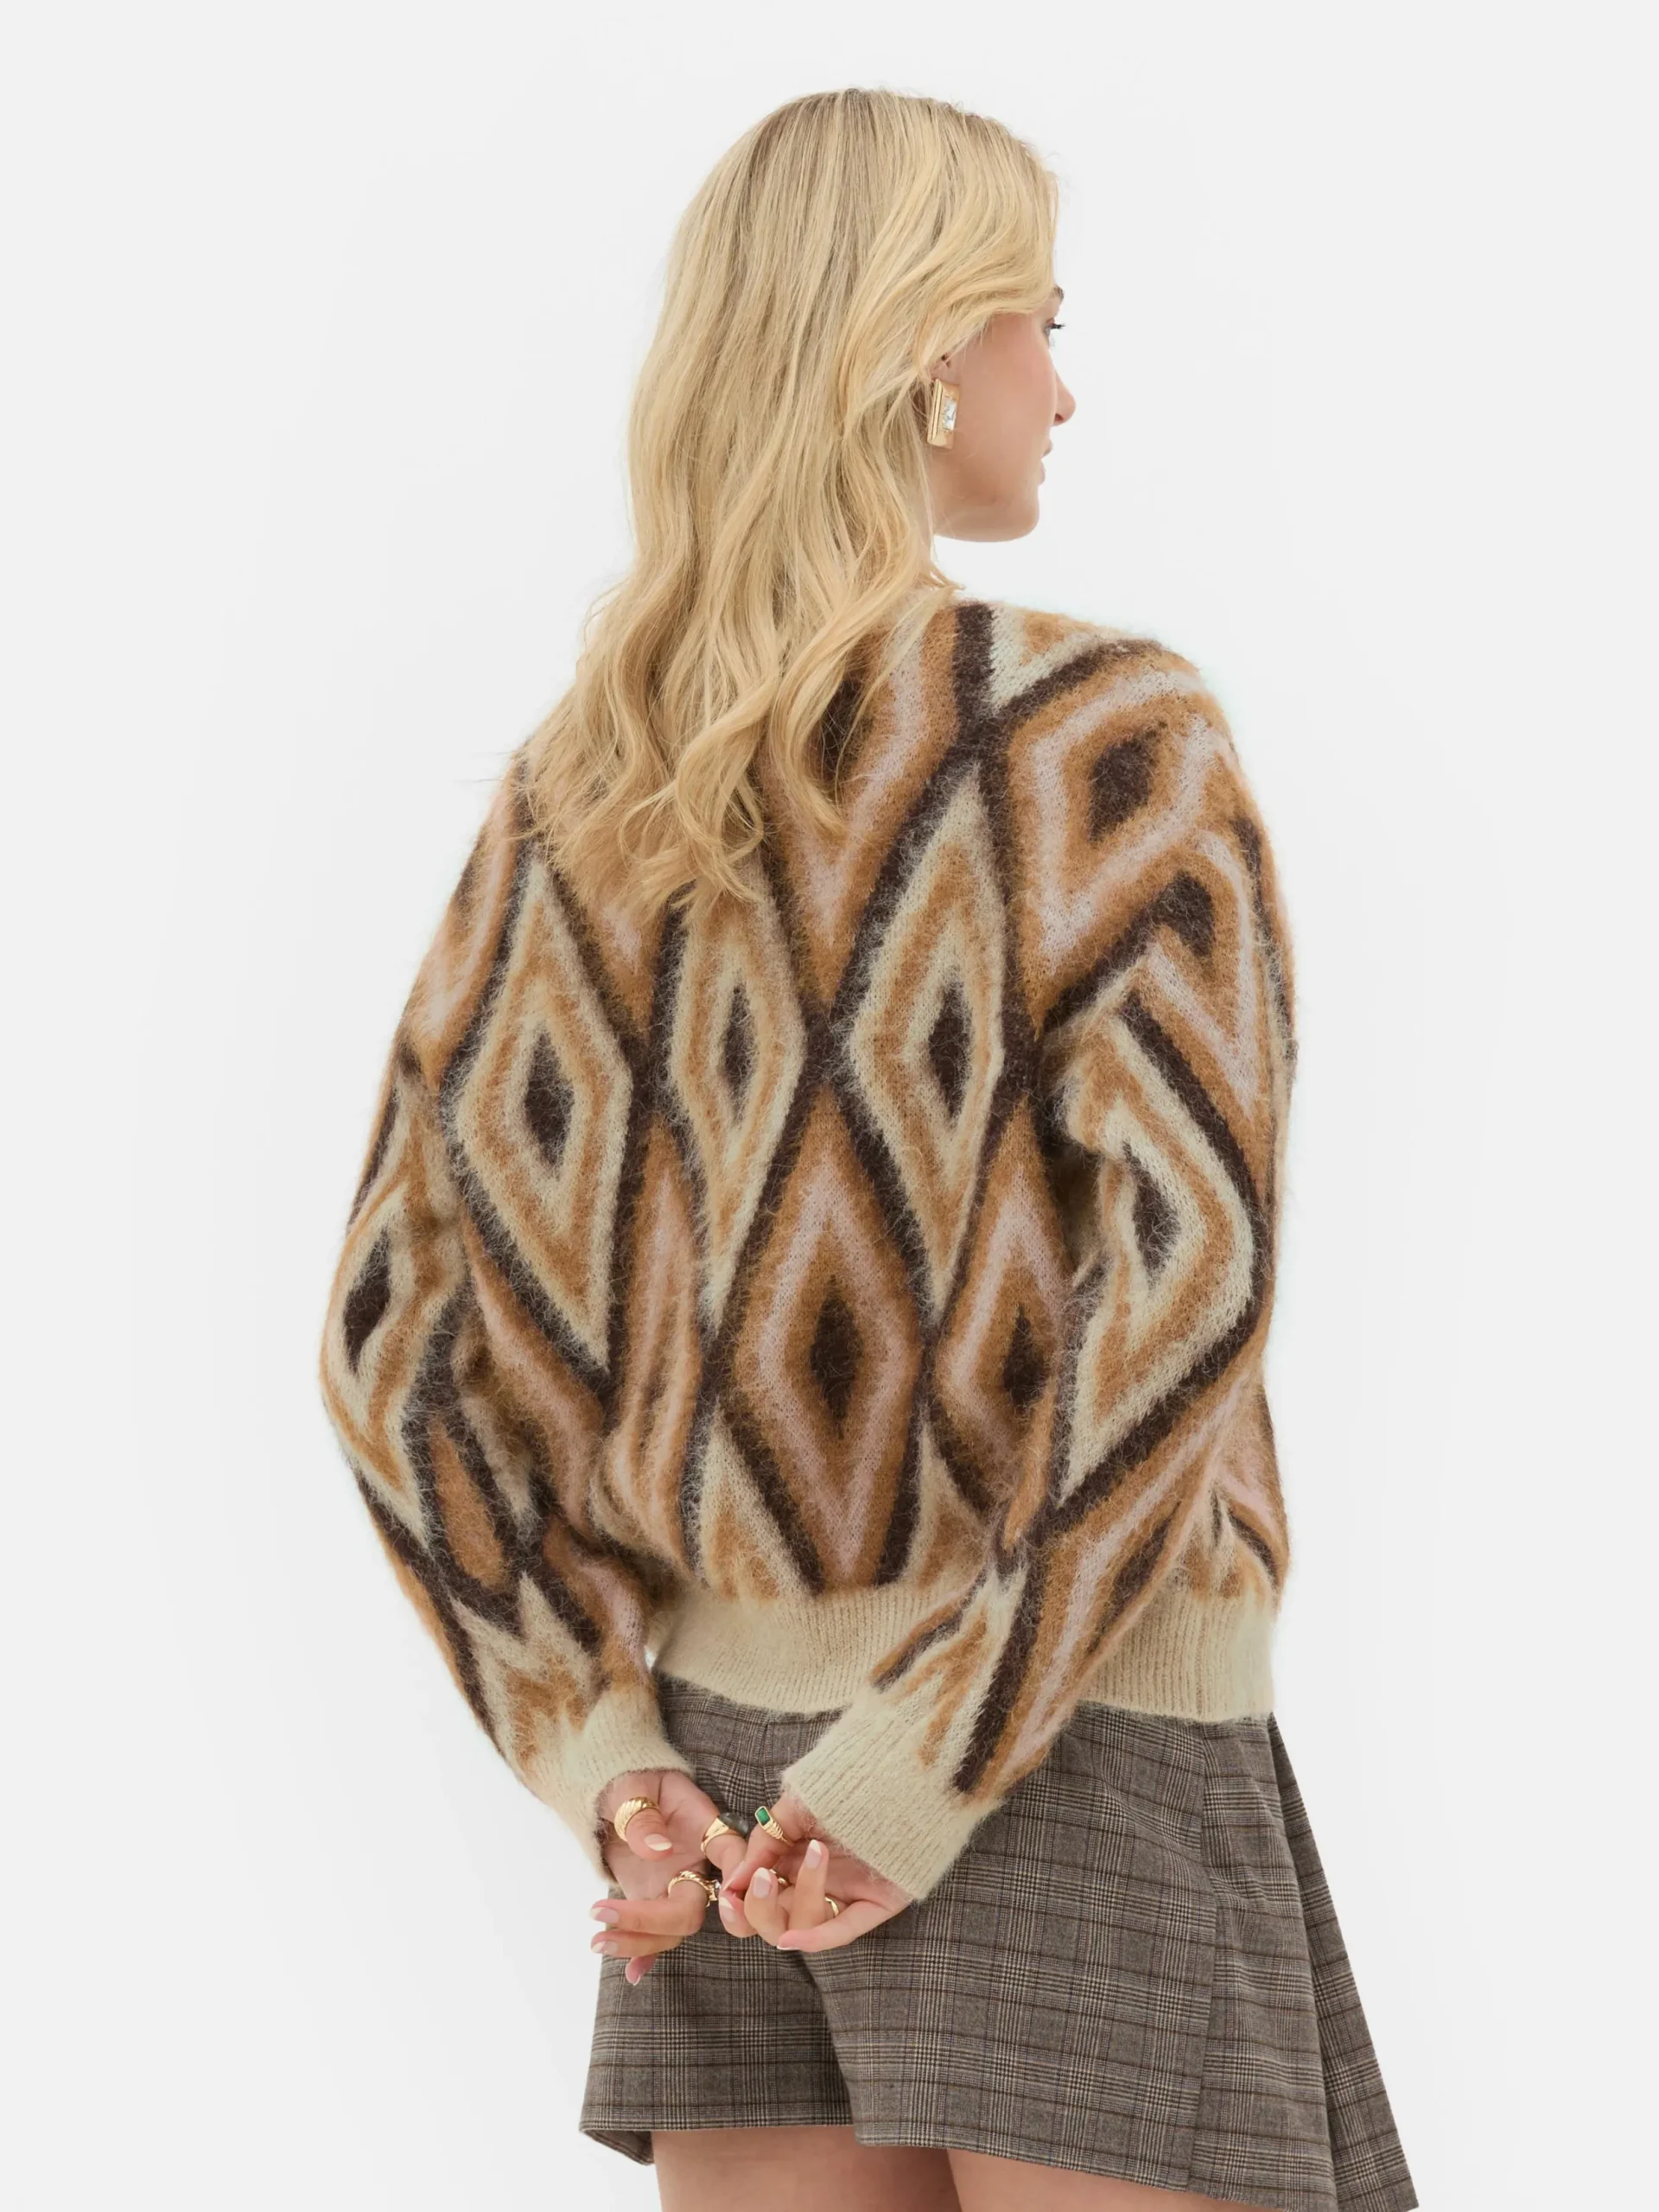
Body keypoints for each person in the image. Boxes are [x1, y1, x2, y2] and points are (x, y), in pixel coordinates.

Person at [317, 86, 1417, 2212]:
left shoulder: (584, 799)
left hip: (719, 1787)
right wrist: (931, 1756)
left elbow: (393, 1342)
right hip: (1059, 1735)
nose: (1059, 390)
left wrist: (606, 1750)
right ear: (926, 348)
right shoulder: (1102, 742)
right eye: (1038, 323)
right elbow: (1188, 1282)